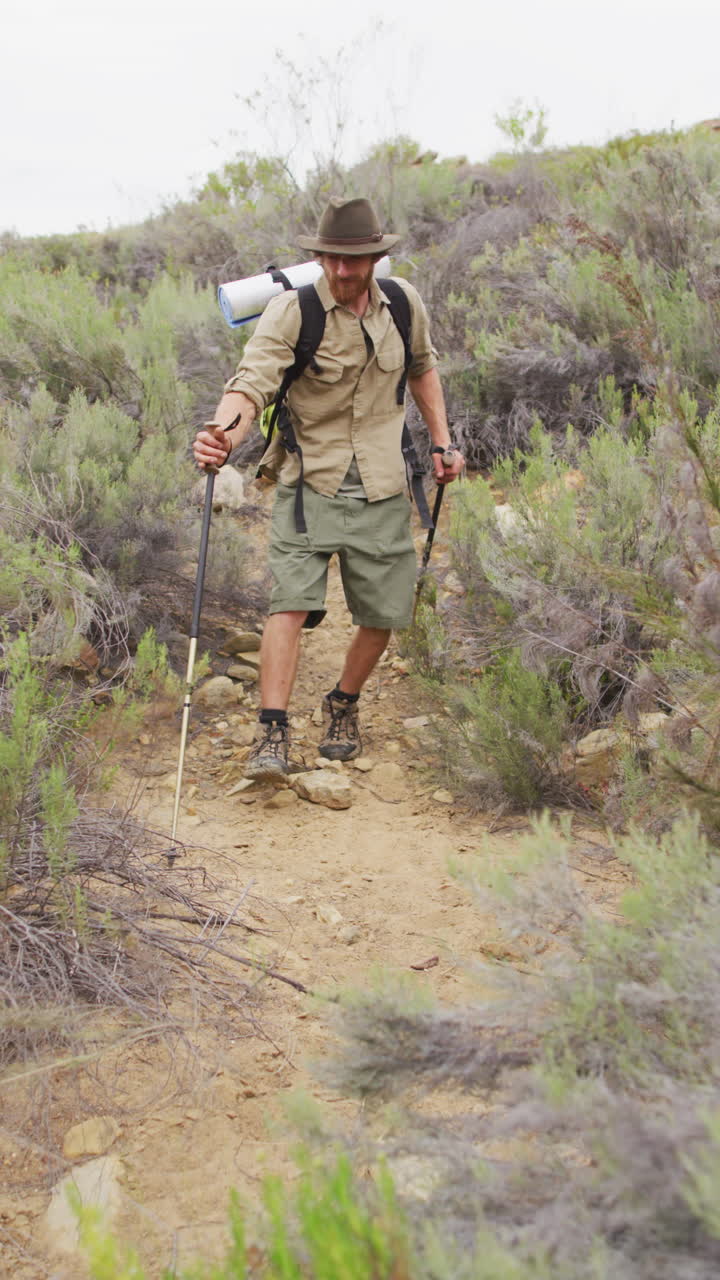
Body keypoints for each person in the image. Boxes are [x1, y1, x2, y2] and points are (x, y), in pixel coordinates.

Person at [193, 196, 463, 779]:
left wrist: (443, 443)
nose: (343, 270)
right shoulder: (293, 312)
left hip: (383, 483)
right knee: (288, 605)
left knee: (383, 612)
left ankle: (343, 702)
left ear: (376, 258)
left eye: (355, 260)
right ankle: (272, 730)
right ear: (318, 257)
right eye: (332, 259)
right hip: (307, 482)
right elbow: (250, 385)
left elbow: (422, 368)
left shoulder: (403, 303)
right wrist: (222, 435)